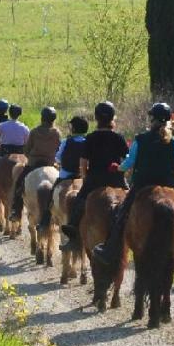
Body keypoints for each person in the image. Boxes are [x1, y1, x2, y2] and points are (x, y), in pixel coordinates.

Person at [91, 102, 174, 267]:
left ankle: (109, 250)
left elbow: (128, 163)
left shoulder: (140, 139)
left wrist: (119, 167)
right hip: (169, 185)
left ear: (152, 119)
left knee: (122, 215)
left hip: (141, 185)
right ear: (167, 120)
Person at [59, 102, 129, 253]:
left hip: (94, 179)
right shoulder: (119, 137)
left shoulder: (90, 138)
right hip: (116, 179)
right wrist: (123, 173)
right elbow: (127, 160)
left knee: (78, 203)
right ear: (112, 118)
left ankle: (72, 235)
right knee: (132, 201)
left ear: (96, 118)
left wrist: (85, 177)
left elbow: (83, 163)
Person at [10, 107, 63, 222]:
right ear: (53, 119)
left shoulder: (34, 131)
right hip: (51, 164)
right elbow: (59, 149)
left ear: (42, 118)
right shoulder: (57, 133)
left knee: (19, 185)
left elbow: (27, 150)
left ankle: (16, 211)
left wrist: (31, 157)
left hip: (33, 164)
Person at [42, 115, 89, 234]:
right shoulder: (89, 142)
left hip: (65, 175)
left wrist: (60, 163)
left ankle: (45, 220)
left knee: (51, 195)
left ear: (73, 128)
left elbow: (57, 158)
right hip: (83, 176)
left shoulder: (66, 141)